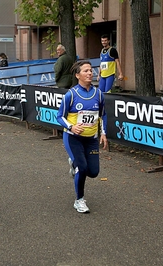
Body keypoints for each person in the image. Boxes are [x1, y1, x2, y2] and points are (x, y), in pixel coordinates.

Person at [56, 60, 108, 213]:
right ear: (77, 75)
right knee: (82, 168)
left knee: (93, 172)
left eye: (91, 70)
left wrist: (103, 133)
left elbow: (103, 115)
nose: (90, 73)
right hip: (73, 138)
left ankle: (74, 164)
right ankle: (79, 200)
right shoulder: (71, 95)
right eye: (86, 71)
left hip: (91, 139)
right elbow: (59, 117)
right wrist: (71, 126)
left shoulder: (98, 94)